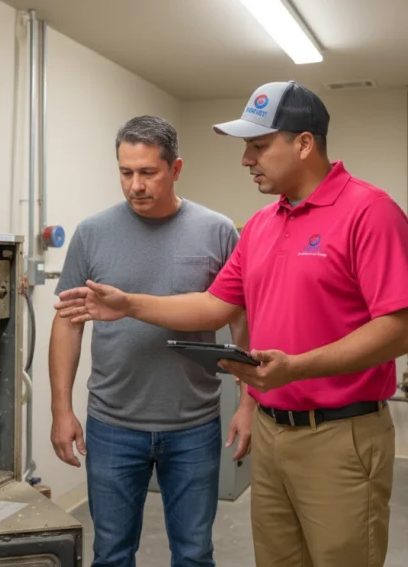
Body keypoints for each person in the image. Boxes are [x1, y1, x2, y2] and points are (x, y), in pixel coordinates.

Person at [54, 82, 408, 567]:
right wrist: (129, 304)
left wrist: (297, 368)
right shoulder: (264, 224)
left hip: (340, 434)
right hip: (272, 434)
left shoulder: (370, 212)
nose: (247, 159)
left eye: (259, 146)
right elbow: (213, 306)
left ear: (304, 144)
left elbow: (400, 330)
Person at [48, 115, 252, 567]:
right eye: (126, 172)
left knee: (195, 554)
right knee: (112, 553)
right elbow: (68, 323)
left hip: (194, 425)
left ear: (175, 169)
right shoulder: (93, 233)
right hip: (113, 424)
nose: (135, 185)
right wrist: (61, 410)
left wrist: (247, 402)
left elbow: (240, 320)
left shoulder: (217, 231)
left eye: (148, 172)